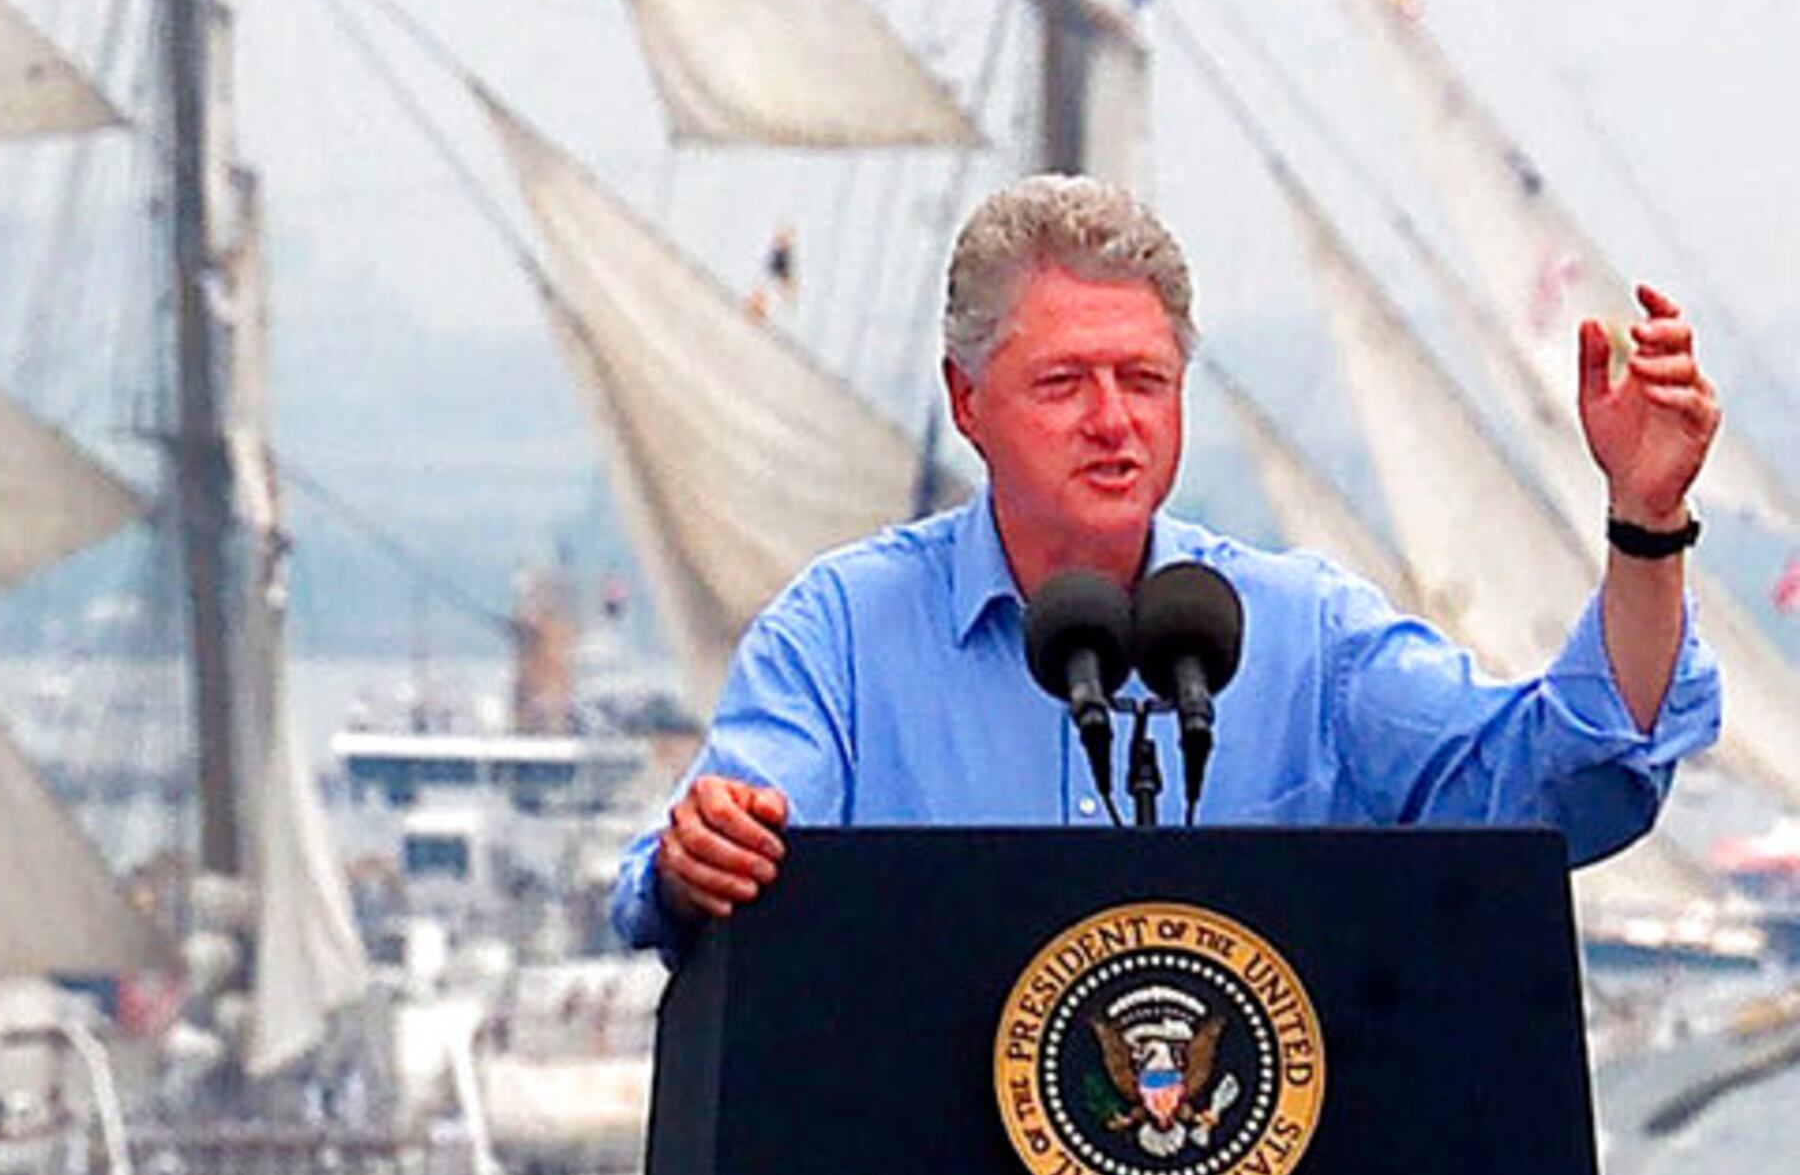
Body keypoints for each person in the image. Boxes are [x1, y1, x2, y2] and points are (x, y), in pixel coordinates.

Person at [611, 173, 1724, 953]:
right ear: (966, 402)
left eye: (1144, 381)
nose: (1113, 422)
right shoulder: (845, 634)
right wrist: (697, 855)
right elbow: (731, 836)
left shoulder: (1303, 634)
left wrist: (1645, 523)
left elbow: (1554, 787)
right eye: (1064, 384)